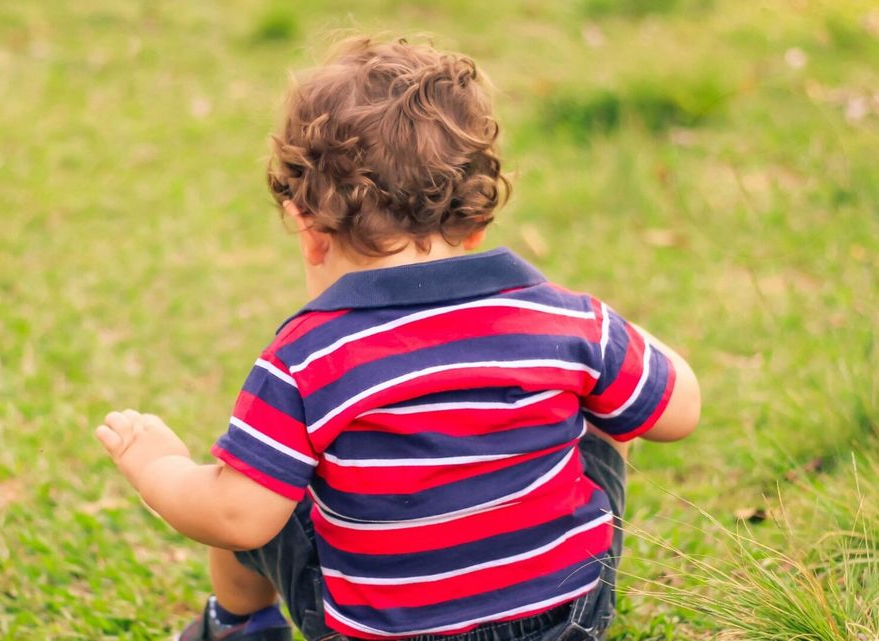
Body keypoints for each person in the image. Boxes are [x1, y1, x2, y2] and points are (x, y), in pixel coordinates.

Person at [94, 37, 701, 641]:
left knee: (256, 475)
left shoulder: (307, 358)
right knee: (611, 406)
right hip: (567, 622)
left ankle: (236, 626)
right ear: (476, 222)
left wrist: (159, 465)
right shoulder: (567, 322)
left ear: (308, 229)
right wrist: (600, 327)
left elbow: (236, 517)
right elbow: (678, 412)